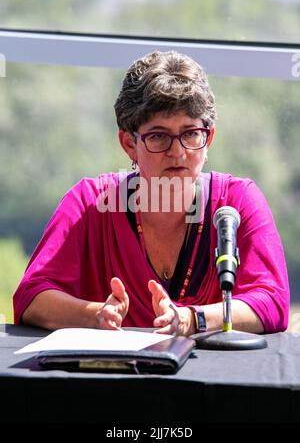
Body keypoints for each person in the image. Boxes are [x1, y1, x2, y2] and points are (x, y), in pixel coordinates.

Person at [13, 50, 290, 336]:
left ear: (209, 140)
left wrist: (191, 320)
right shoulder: (89, 203)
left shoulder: (238, 201)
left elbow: (272, 302)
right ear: (129, 144)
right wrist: (95, 315)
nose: (178, 151)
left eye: (191, 133)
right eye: (158, 136)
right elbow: (31, 298)